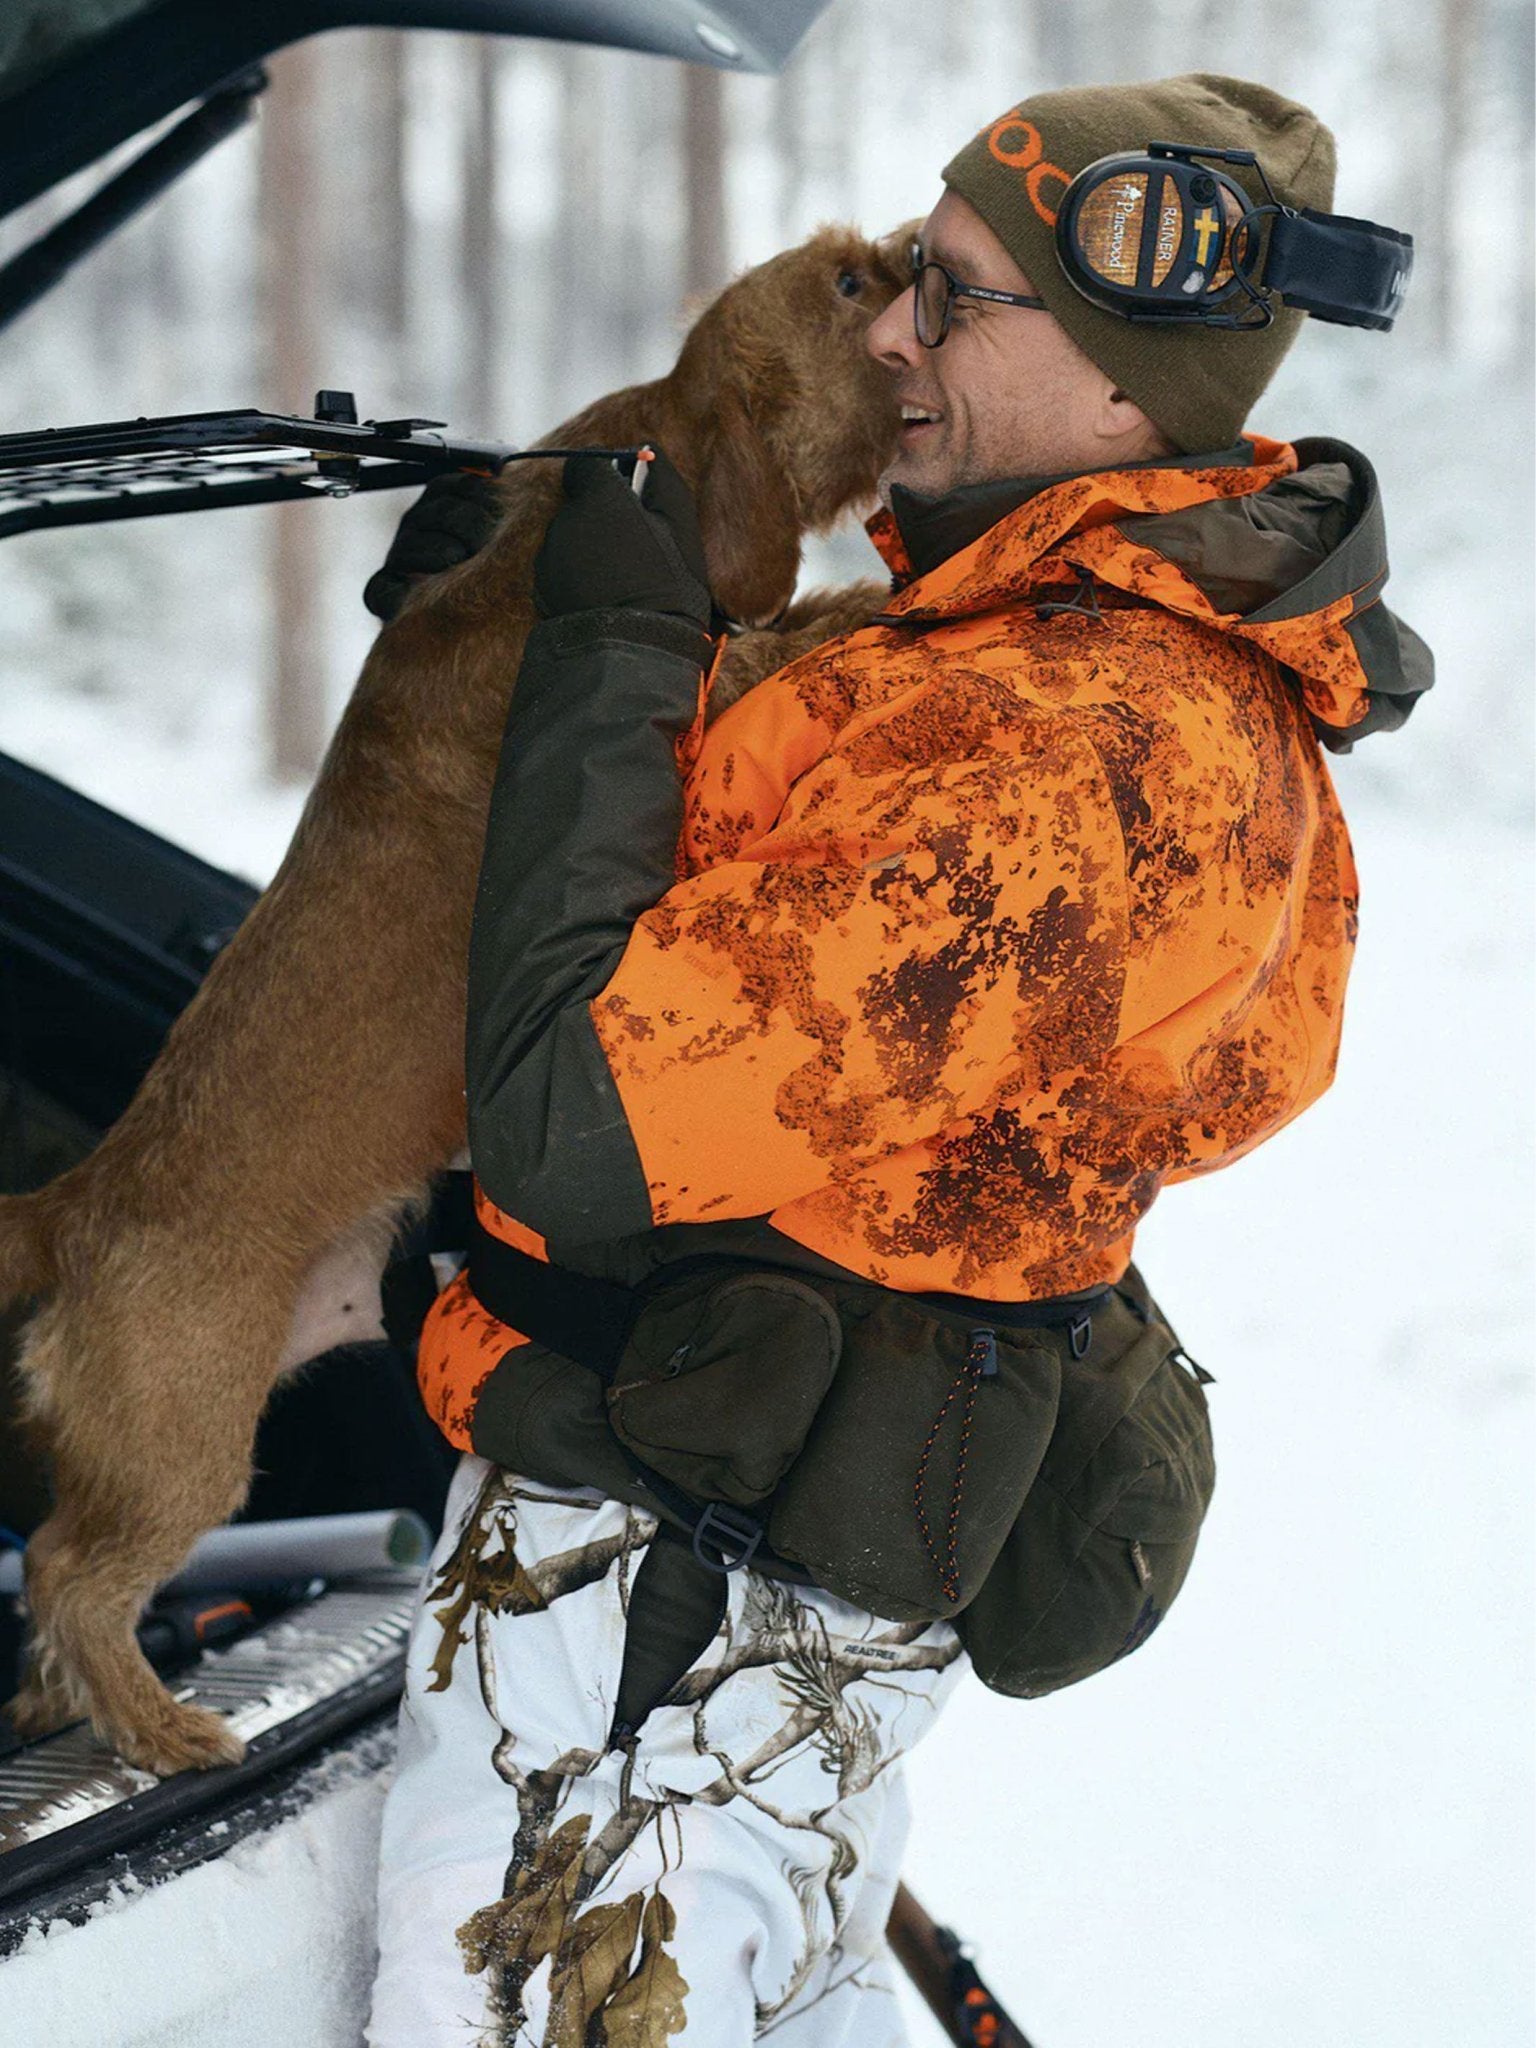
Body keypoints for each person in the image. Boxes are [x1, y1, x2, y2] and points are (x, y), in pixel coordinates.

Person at [365, 72, 1429, 2048]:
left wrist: (610, 644)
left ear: (1121, 388)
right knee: (800, 1983)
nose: (885, 335)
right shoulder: (1046, 673)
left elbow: (577, 1112)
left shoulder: (1059, 747)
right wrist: (531, 639)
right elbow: (783, 916)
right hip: (756, 1603)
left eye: (949, 298)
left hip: (647, 1612)